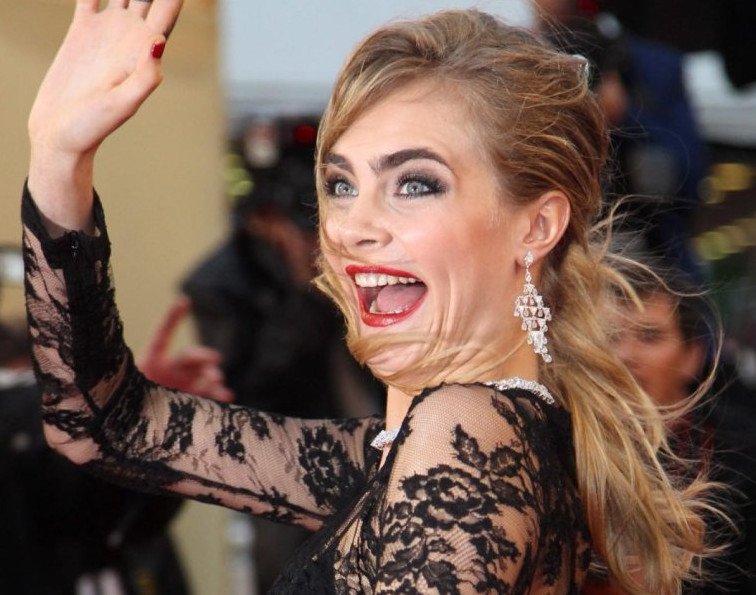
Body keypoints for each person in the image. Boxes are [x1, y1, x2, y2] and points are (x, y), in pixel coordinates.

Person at [21, 2, 725, 593]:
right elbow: (108, 423)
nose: (352, 227)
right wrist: (58, 158)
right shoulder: (434, 449)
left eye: (414, 183)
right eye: (340, 184)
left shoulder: (464, 435)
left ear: (536, 226)